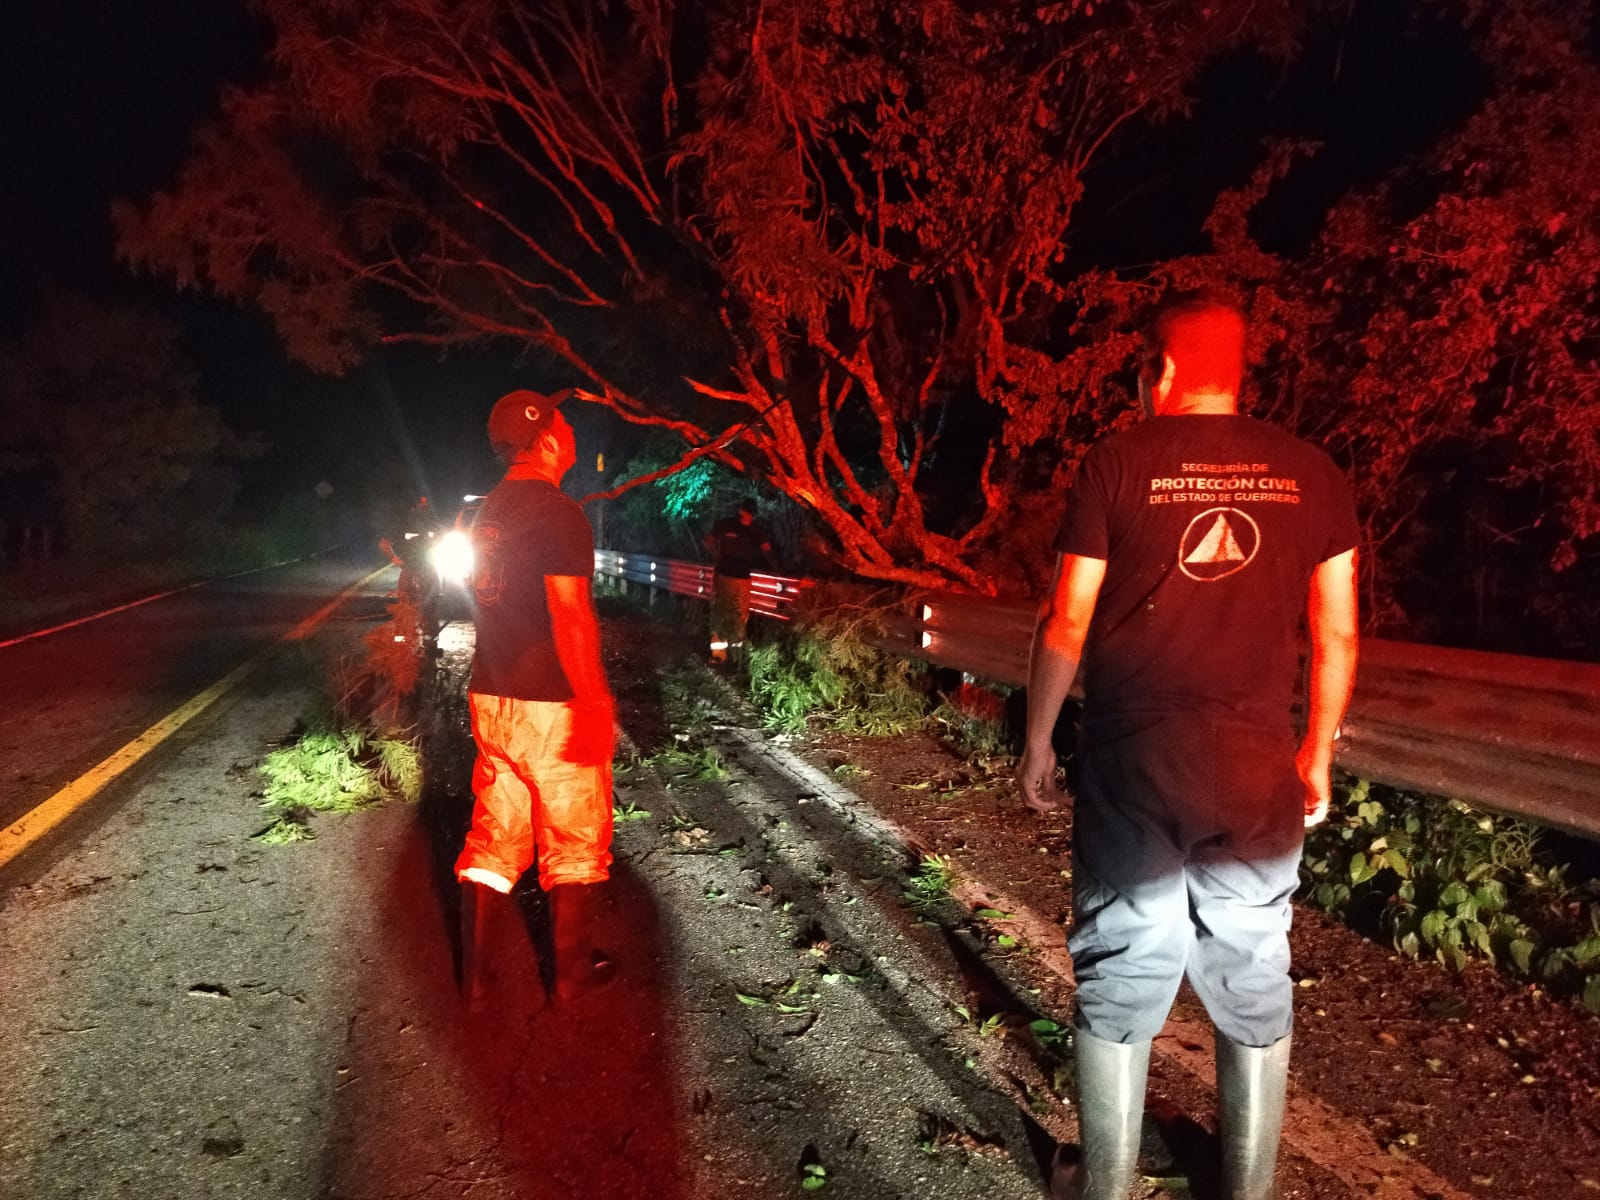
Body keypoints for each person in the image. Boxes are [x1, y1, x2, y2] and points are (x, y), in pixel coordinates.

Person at [1017, 291, 1360, 1200]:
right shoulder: (1312, 471)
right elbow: (1337, 636)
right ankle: (1246, 1190)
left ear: (1160, 371)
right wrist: (1317, 752)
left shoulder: (1117, 462)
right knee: (1253, 963)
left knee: (1123, 960)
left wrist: (1039, 741)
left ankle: (1105, 1186)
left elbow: (1067, 619)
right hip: (1256, 767)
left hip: (1137, 762)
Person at [455, 388, 617, 1006]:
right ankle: (571, 978)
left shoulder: (485, 513)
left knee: (496, 834)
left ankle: (475, 980)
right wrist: (595, 702)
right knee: (575, 837)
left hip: (492, 695)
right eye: (565, 420)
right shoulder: (558, 512)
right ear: (547, 438)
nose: (573, 428)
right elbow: (570, 615)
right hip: (550, 702)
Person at [704, 497, 773, 664]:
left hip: (742, 578)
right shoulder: (725, 524)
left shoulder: (756, 531)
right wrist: (715, 554)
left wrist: (774, 566)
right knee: (720, 613)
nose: (747, 516)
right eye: (746, 511)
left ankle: (736, 657)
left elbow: (767, 550)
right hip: (723, 575)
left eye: (750, 513)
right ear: (741, 510)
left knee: (740, 615)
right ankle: (719, 655)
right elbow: (708, 540)